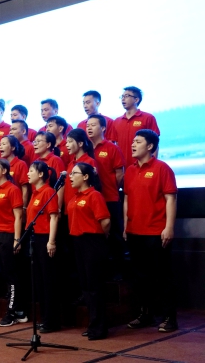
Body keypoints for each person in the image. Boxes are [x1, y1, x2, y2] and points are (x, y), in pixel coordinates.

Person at [124, 129, 178, 333]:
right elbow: (127, 199)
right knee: (140, 278)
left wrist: (169, 227)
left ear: (150, 146)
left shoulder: (162, 168)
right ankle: (145, 314)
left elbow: (170, 199)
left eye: (138, 142)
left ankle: (169, 317)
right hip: (134, 231)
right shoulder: (130, 170)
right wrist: (125, 226)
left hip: (156, 231)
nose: (133, 144)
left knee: (162, 277)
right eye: (133, 141)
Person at [68, 162, 111, 340]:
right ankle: (93, 323)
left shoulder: (94, 195)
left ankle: (99, 327)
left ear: (85, 177)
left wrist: (98, 239)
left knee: (95, 286)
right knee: (85, 286)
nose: (70, 176)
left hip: (92, 242)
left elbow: (105, 222)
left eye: (74, 173)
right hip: (78, 242)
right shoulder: (74, 197)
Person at [0, 159, 28, 327]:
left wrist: (17, 239)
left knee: (11, 273)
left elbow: (18, 216)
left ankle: (12, 312)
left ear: (4, 170)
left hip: (8, 235)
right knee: (4, 273)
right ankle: (18, 309)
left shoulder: (12, 189)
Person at [86, 114, 126, 278]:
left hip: (109, 198)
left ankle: (119, 271)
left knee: (114, 235)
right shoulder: (85, 149)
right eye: (87, 125)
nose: (89, 128)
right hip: (90, 200)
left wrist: (110, 188)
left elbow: (119, 174)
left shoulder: (111, 148)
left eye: (93, 125)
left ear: (103, 128)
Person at [26, 161, 60, 333]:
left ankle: (51, 320)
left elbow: (54, 217)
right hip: (35, 239)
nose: (28, 174)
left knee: (48, 281)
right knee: (39, 281)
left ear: (40, 174)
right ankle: (45, 318)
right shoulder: (34, 193)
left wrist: (51, 241)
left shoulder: (48, 191)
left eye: (31, 171)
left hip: (46, 238)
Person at [112, 86, 160, 168]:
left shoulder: (148, 118)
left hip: (143, 165)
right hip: (123, 167)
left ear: (136, 100)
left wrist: (152, 165)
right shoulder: (117, 121)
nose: (123, 99)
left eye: (127, 96)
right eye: (122, 96)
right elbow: (116, 145)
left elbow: (154, 143)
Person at [33, 131, 65, 212]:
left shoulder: (55, 160)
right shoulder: (36, 161)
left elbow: (61, 184)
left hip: (50, 203)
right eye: (34, 141)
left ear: (48, 144)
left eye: (38, 141)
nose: (35, 144)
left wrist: (58, 208)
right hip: (37, 202)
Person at [0, 135, 30, 209]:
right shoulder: (0, 164)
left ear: (13, 148)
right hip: (2, 204)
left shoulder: (20, 164)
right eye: (0, 144)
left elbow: (25, 188)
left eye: (4, 144)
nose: (0, 147)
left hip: (16, 204)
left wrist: (24, 207)